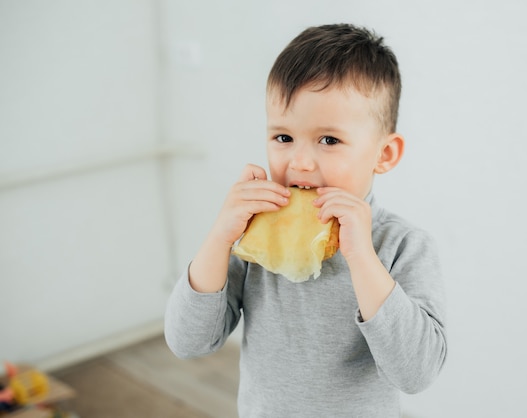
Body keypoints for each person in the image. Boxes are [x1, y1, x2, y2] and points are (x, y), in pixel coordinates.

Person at [164, 23, 446, 417]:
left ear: (384, 154)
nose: (299, 162)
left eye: (329, 140)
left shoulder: (403, 245)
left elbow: (416, 373)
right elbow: (188, 342)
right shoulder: (255, 235)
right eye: (283, 138)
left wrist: (362, 256)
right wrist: (219, 238)